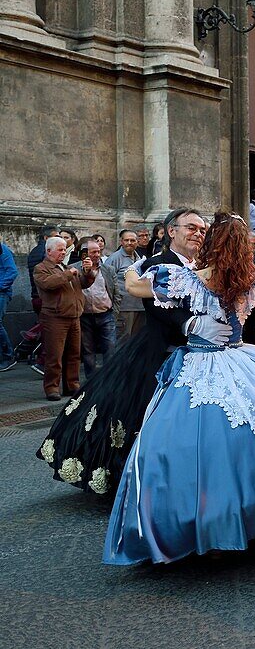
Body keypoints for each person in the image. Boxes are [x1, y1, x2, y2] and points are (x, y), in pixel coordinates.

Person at [102, 213, 255, 564]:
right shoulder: (253, 280)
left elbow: (136, 288)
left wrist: (132, 268)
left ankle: (204, 521)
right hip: (243, 358)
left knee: (188, 442)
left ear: (212, 245)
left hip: (201, 363)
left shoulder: (190, 279)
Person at [37, 210, 212, 494]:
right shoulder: (157, 263)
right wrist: (191, 324)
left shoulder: (204, 266)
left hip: (200, 351)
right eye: (191, 227)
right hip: (162, 350)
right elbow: (156, 307)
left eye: (202, 230)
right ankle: (139, 479)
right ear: (171, 231)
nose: (198, 234)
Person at [34, 237, 95, 399]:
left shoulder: (65, 267)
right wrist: (68, 274)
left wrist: (88, 273)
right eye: (60, 249)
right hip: (55, 318)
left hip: (74, 316)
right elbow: (48, 284)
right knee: (54, 355)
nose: (63, 252)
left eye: (64, 249)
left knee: (74, 354)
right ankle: (52, 387)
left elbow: (83, 283)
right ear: (49, 251)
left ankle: (72, 385)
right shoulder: (41, 268)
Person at [73, 238, 116, 377]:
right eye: (93, 252)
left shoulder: (108, 269)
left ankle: (109, 378)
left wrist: (115, 311)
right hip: (84, 316)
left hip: (105, 314)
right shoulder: (74, 269)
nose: (97, 255)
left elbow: (117, 292)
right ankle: (91, 379)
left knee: (110, 348)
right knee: (87, 349)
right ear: (84, 254)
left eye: (98, 251)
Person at [102, 229, 145, 338]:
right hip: (124, 307)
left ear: (137, 242)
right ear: (121, 242)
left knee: (136, 340)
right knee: (123, 339)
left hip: (139, 306)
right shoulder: (114, 259)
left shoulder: (139, 258)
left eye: (132, 240)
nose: (129, 243)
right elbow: (106, 282)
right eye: (126, 240)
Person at [0, 238, 16, 371]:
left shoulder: (3, 250)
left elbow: (12, 271)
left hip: (2, 293)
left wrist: (0, 286)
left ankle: (8, 356)